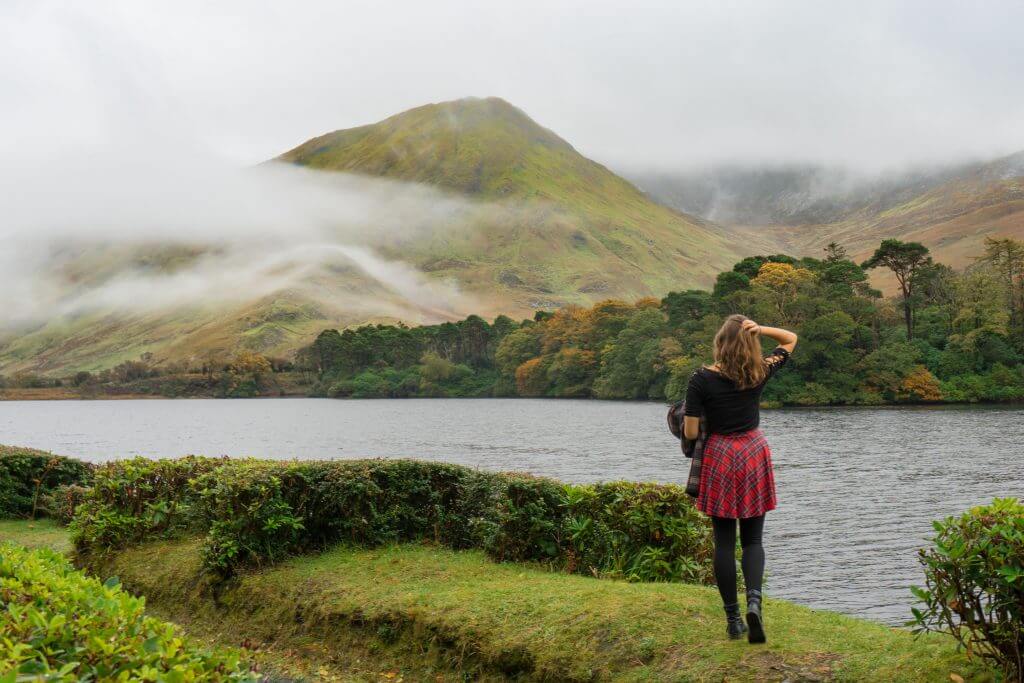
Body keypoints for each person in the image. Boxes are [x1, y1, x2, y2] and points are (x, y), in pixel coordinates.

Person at [682, 314, 797, 644]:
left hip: (720, 455)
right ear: (751, 343)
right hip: (753, 451)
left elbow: (690, 431)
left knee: (723, 540)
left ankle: (734, 620)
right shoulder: (760, 370)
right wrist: (760, 329)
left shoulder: (700, 379)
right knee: (753, 539)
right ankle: (756, 603)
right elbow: (790, 338)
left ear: (720, 343)